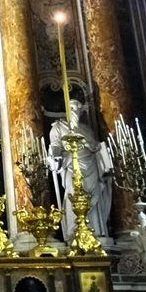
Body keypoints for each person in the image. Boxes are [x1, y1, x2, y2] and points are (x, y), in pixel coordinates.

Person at [48, 99, 112, 239]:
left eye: (77, 108)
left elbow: (95, 146)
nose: (75, 110)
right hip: (71, 165)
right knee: (73, 193)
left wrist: (88, 143)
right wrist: (57, 156)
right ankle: (74, 231)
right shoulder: (58, 126)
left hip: (91, 166)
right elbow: (55, 146)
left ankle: (95, 231)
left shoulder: (87, 129)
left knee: (93, 196)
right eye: (71, 107)